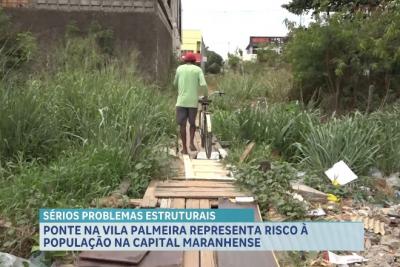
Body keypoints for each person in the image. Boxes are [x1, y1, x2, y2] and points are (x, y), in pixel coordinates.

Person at [174, 52, 208, 155]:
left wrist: (180, 90)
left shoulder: (179, 69)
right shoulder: (198, 70)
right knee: (192, 123)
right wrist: (205, 95)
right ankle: (191, 143)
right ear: (194, 62)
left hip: (181, 101)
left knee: (182, 125)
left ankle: (184, 149)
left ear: (184, 61)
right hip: (193, 102)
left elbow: (174, 83)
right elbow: (203, 84)